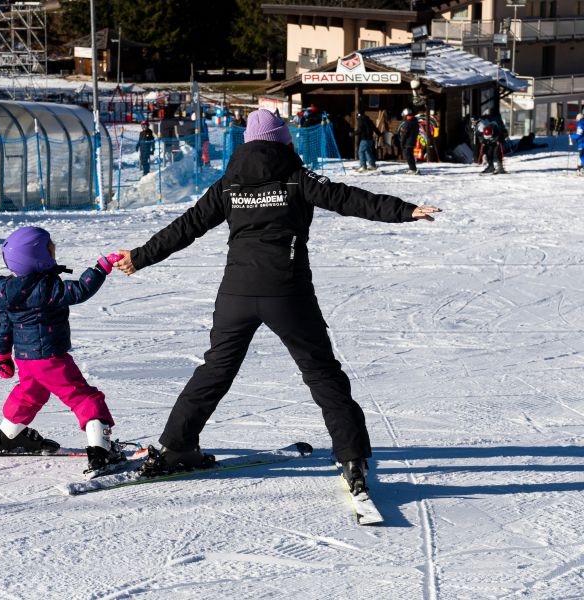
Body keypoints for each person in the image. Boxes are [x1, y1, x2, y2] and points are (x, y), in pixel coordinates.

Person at [112, 109, 441, 495]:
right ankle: (351, 457)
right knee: (322, 373)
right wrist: (404, 211)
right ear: (284, 141)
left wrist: (141, 255)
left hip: (236, 293)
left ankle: (174, 445)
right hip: (287, 292)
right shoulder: (295, 178)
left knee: (215, 370)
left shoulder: (228, 185)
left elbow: (187, 225)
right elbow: (347, 198)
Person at [0, 226, 124, 473]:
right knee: (82, 396)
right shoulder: (46, 288)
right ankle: (101, 449)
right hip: (50, 359)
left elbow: (4, 325)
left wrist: (2, 355)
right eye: (50, 251)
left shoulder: (7, 291)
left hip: (25, 359)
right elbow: (80, 290)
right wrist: (101, 267)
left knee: (29, 393)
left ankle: (9, 435)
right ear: (40, 258)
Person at [477, 108, 507, 175]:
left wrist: (499, 140)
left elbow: (502, 133)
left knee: (497, 152)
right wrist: (483, 141)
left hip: (497, 140)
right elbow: (481, 135)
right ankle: (490, 166)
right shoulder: (484, 126)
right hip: (490, 141)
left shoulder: (496, 128)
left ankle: (500, 167)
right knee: (489, 152)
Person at [399, 107, 420, 175]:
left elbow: (405, 134)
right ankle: (413, 168)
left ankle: (412, 169)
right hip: (412, 141)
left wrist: (402, 143)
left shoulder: (407, 123)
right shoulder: (415, 121)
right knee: (410, 155)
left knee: (408, 156)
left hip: (408, 142)